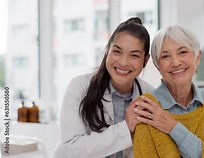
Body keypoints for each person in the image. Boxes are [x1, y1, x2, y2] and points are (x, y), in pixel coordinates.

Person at [51, 17, 154, 158]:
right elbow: (71, 150)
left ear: (145, 60)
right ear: (107, 50)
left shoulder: (151, 96)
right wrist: (126, 127)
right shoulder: (79, 87)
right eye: (117, 51)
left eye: (134, 55)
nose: (123, 62)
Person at [132, 25, 204, 158]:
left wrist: (173, 127)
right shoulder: (146, 107)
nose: (176, 62)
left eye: (182, 52)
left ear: (197, 57)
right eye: (165, 56)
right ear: (157, 65)